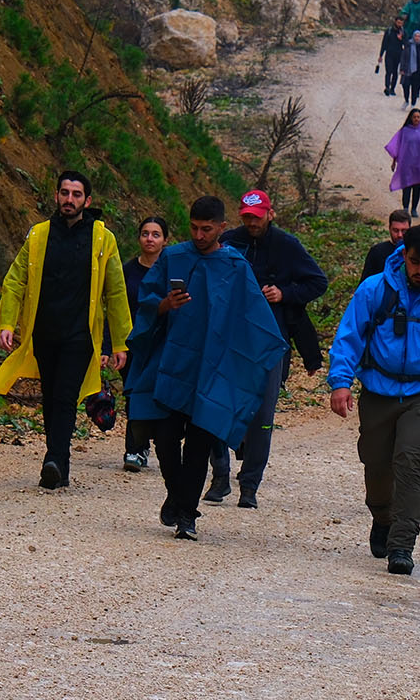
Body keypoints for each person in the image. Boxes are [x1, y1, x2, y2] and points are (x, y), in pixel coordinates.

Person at [126, 197, 286, 540]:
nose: (199, 235)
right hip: (172, 365)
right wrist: (164, 305)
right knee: (165, 438)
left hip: (212, 370)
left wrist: (260, 360)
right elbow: (146, 301)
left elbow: (254, 321)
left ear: (221, 228)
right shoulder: (174, 257)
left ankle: (187, 515)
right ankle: (177, 492)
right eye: (194, 228)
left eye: (207, 229)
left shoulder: (234, 266)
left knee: (199, 444)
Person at [328, 225, 420, 575]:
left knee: (412, 463)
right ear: (403, 255)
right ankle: (382, 517)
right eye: (415, 262)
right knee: (377, 466)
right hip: (378, 392)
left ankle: (402, 545)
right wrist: (340, 382)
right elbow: (349, 337)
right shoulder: (375, 290)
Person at [0, 170, 132, 492]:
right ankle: (59, 467)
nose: (69, 199)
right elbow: (15, 279)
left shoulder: (102, 238)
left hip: (80, 335)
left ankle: (53, 458)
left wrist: (120, 342)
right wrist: (7, 323)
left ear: (87, 201)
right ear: (56, 196)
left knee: (65, 397)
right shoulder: (38, 235)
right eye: (64, 193)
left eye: (76, 194)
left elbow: (116, 291)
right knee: (51, 398)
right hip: (44, 332)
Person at [215, 190, 330, 508]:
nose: (252, 221)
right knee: (217, 408)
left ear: (270, 214)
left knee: (262, 418)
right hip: (229, 340)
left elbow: (318, 282)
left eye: (257, 215)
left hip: (271, 342)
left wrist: (284, 293)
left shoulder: (287, 245)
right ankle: (220, 476)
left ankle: (249, 486)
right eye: (247, 216)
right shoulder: (228, 241)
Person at [118, 216, 169, 472]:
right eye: (146, 233)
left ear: (165, 240)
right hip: (132, 343)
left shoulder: (172, 270)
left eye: (156, 234)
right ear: (139, 238)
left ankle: (158, 444)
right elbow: (115, 309)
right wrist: (112, 345)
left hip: (163, 344)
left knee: (160, 394)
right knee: (133, 394)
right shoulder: (127, 271)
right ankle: (134, 449)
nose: (150, 239)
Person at [385, 107, 420, 218]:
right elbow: (397, 146)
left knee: (417, 186)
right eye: (414, 117)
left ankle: (414, 208)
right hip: (406, 163)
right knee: (406, 185)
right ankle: (406, 207)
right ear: (411, 118)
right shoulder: (404, 131)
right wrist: (394, 161)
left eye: (418, 117)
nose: (416, 119)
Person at [364, 209, 411, 284]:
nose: (400, 235)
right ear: (389, 229)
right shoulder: (377, 252)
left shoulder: (414, 253)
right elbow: (365, 282)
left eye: (404, 231)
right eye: (395, 230)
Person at [375, 17, 405, 96]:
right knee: (388, 71)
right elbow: (384, 44)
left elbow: (406, 44)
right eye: (398, 22)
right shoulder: (389, 31)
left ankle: (392, 89)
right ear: (395, 22)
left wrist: (401, 39)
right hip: (389, 53)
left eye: (401, 23)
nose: (399, 24)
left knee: (395, 72)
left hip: (398, 54)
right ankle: (387, 87)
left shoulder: (403, 32)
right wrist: (380, 55)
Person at [399, 30, 420, 105]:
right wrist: (402, 68)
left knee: (415, 88)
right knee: (405, 85)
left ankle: (413, 103)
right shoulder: (408, 45)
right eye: (416, 36)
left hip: (418, 71)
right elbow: (403, 56)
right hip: (407, 69)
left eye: (419, 36)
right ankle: (406, 100)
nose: (417, 38)